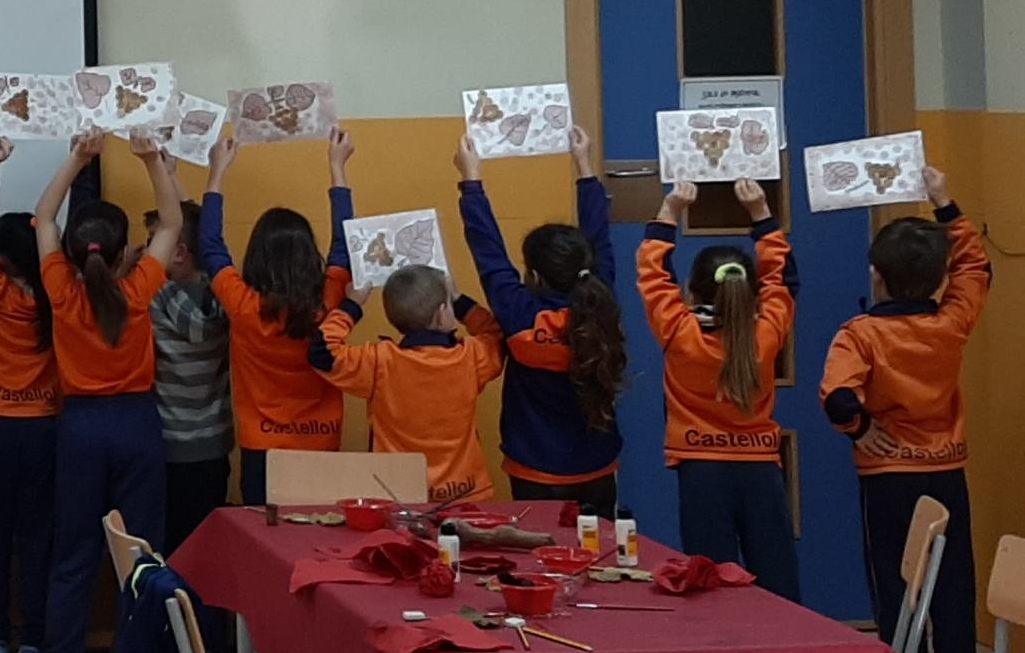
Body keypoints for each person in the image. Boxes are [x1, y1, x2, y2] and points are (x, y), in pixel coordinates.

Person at [822, 164, 990, 653]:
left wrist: (860, 428)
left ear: (876, 275)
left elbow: (838, 397)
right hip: (946, 472)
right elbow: (978, 267)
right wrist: (945, 202)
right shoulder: (951, 323)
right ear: (940, 278)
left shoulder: (861, 333)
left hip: (889, 478)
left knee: (896, 585)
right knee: (953, 583)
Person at [30, 132, 183, 653]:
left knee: (72, 554)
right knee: (139, 557)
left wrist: (77, 157)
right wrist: (149, 159)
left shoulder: (60, 290)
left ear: (72, 253)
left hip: (81, 428)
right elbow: (171, 222)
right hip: (136, 424)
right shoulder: (138, 289)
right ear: (124, 255)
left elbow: (44, 217)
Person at [0, 138, 94, 653]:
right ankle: (33, 648)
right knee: (39, 540)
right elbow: (68, 233)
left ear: (0, 259)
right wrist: (85, 164)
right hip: (45, 429)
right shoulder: (57, 293)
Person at [639, 179, 800, 599]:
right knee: (778, 582)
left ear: (691, 291)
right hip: (761, 470)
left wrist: (669, 210)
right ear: (751, 293)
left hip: (701, 471)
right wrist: (761, 213)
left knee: (710, 586)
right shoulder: (766, 333)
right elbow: (785, 280)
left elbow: (653, 275)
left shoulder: (679, 332)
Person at [456, 128, 626, 518]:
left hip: (534, 469)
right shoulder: (602, 301)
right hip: (598, 467)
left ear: (532, 275)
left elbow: (487, 251)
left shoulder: (519, 314)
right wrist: (584, 166)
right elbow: (600, 235)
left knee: (542, 550)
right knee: (597, 549)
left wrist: (471, 180)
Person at [198, 127, 357, 503]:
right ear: (308, 255)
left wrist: (217, 172)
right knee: (317, 531)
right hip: (321, 440)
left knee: (264, 532)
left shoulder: (243, 305)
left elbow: (210, 245)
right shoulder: (329, 301)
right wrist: (337, 166)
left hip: (262, 445)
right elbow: (346, 242)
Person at [310, 264, 503, 503]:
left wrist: (353, 305)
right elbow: (496, 335)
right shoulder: (471, 357)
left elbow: (322, 352)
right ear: (443, 312)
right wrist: (459, 300)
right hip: (463, 491)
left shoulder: (380, 362)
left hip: (397, 495)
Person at [151, 195, 233, 551]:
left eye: (156, 240)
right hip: (213, 446)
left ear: (179, 252)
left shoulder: (155, 295)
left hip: (169, 444)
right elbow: (202, 235)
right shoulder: (225, 295)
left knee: (171, 546)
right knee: (205, 547)